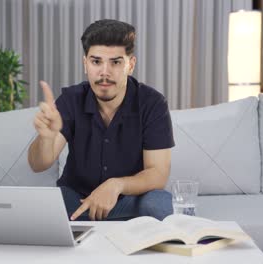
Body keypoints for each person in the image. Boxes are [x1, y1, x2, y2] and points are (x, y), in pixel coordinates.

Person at [28, 19, 175, 221]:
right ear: (85, 64)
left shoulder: (152, 103)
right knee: (45, 205)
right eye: (96, 61)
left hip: (129, 201)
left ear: (130, 65)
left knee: (158, 203)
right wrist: (45, 137)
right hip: (78, 202)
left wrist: (116, 185)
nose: (104, 73)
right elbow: (38, 164)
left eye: (115, 62)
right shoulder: (71, 100)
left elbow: (158, 174)